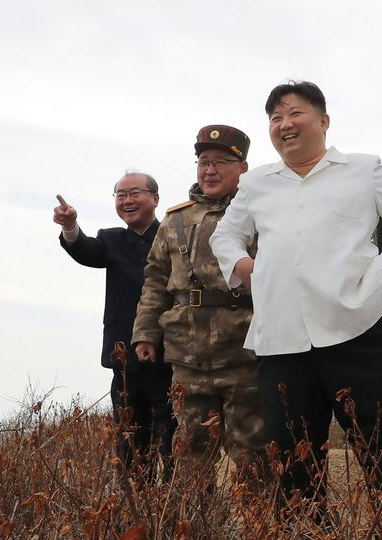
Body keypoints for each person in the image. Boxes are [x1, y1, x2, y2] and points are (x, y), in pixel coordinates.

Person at [210, 81, 382, 508]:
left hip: (358, 327)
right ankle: (303, 528)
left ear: (323, 121)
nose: (284, 124)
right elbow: (226, 236)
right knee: (292, 455)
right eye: (275, 118)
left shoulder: (362, 169)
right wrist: (242, 266)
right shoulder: (257, 184)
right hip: (281, 338)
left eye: (295, 113)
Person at [131, 125, 265, 489]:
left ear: (243, 168)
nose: (209, 169)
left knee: (255, 453)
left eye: (221, 161)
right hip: (188, 356)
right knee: (190, 452)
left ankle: (261, 524)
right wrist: (145, 333)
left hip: (245, 353)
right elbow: (156, 279)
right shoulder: (175, 220)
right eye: (203, 161)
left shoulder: (261, 212)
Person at [53, 172, 177, 483]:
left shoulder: (174, 236)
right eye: (120, 195)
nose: (127, 201)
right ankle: (135, 510)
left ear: (155, 199)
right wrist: (70, 226)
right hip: (124, 362)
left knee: (173, 441)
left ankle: (179, 511)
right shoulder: (111, 239)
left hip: (171, 356)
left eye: (135, 193)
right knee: (130, 442)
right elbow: (85, 251)